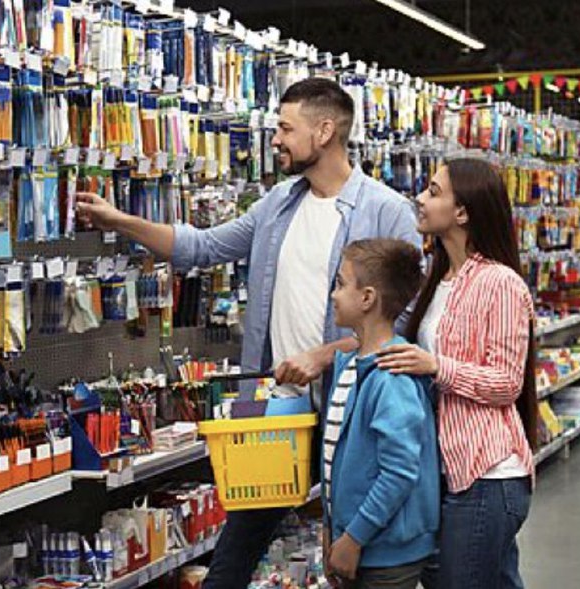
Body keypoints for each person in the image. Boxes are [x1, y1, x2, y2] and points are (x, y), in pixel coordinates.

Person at [75, 77, 420, 589]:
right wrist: (119, 220)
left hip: (350, 411)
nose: (275, 139)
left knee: (355, 557)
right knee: (231, 562)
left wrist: (327, 354)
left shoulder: (385, 210)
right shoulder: (279, 204)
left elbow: (402, 325)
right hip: (277, 408)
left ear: (324, 131)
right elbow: (202, 247)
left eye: (285, 128)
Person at [376, 158, 537, 589]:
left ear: (462, 211)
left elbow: (506, 383)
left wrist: (436, 366)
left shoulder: (500, 284)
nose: (420, 199)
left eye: (432, 191)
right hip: (451, 469)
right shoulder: (441, 279)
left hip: (486, 473)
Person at [324, 239, 439, 589]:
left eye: (341, 284)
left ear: (367, 298)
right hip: (355, 543)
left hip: (387, 553)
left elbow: (399, 472)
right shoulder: (348, 365)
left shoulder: (391, 376)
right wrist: (334, 531)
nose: (333, 295)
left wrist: (354, 538)